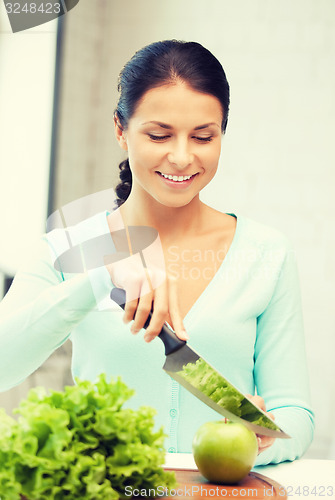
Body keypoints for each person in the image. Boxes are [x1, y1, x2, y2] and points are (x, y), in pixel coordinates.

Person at [0, 40, 314, 466]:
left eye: (203, 136)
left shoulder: (265, 253)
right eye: (159, 134)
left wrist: (263, 436)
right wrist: (101, 275)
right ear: (120, 128)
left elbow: (295, 415)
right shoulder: (64, 249)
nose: (182, 157)